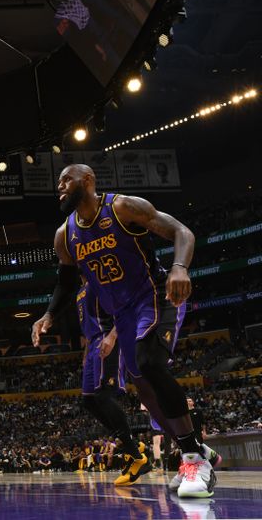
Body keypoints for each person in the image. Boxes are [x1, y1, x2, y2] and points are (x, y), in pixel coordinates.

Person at [31, 164, 217, 498]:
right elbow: (66, 282)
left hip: (157, 295)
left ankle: (194, 459)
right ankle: (197, 450)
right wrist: (47, 315)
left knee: (148, 363)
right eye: (57, 183)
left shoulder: (122, 207)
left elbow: (182, 232)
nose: (59, 187)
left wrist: (179, 267)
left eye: (65, 180)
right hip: (125, 313)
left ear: (87, 181)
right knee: (145, 387)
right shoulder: (65, 234)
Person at [76, 277, 149, 485]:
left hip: (108, 338)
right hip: (92, 346)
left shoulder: (101, 279)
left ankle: (135, 456)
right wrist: (86, 352)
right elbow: (87, 326)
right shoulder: (80, 290)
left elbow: (125, 308)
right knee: (88, 401)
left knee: (103, 396)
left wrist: (114, 336)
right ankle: (131, 446)